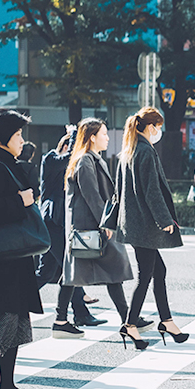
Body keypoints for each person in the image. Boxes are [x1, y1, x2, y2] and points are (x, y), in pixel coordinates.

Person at [54, 118, 139, 339]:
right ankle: (61, 320)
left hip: (88, 228)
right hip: (88, 228)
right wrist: (105, 222)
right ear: (92, 137)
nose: (108, 137)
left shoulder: (90, 159)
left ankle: (127, 318)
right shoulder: (85, 161)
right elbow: (92, 195)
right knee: (77, 273)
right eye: (104, 134)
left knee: (92, 272)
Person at [0, 109, 43, 389]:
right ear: (4, 138)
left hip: (11, 259)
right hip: (0, 264)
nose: (21, 139)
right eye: (17, 134)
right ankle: (6, 386)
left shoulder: (5, 164)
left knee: (12, 325)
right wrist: (20, 200)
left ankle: (7, 386)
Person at [114, 107, 188, 350]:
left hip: (135, 223)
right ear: (150, 126)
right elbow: (152, 191)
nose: (159, 131)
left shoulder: (129, 151)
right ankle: (130, 324)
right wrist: (164, 219)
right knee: (145, 275)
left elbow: (119, 193)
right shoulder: (146, 151)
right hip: (145, 225)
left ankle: (167, 321)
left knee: (158, 271)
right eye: (158, 126)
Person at [36, 130, 96, 322]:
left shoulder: (64, 171)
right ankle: (80, 314)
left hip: (59, 225)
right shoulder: (50, 159)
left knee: (45, 272)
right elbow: (69, 158)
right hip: (52, 224)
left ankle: (13, 300)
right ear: (64, 146)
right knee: (71, 268)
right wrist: (75, 136)